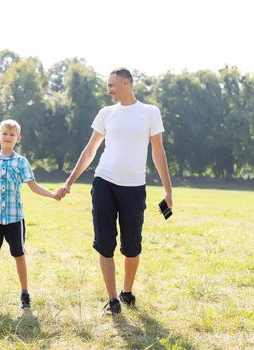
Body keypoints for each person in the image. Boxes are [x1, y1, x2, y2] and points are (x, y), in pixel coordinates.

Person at [57, 68, 173, 315]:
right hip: (104, 183)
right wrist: (70, 181)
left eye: (112, 85)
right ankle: (112, 300)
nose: (108, 89)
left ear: (126, 83)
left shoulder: (150, 113)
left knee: (132, 246)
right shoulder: (106, 114)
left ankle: (127, 291)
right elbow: (90, 151)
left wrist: (168, 189)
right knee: (104, 243)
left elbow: (158, 153)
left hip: (134, 188)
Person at [0, 119, 60, 310]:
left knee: (19, 255)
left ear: (18, 138)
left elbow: (33, 186)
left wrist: (52, 195)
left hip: (14, 219)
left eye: (12, 134)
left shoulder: (21, 162)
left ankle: (25, 294)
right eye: (4, 133)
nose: (8, 137)